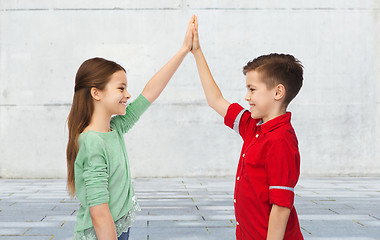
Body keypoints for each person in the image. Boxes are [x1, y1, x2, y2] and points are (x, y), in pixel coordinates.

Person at [66, 15, 196, 240]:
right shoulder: (92, 143)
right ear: (96, 93)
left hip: (117, 229)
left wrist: (184, 50)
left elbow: (150, 92)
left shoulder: (114, 128)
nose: (128, 95)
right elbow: (99, 214)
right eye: (121, 88)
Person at [190, 15, 304, 240]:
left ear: (277, 92)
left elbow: (281, 207)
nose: (246, 96)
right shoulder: (254, 126)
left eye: (252, 90)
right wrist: (197, 52)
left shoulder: (280, 140)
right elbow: (215, 100)